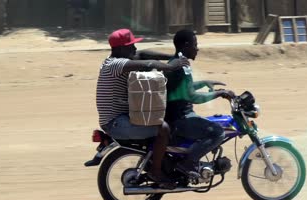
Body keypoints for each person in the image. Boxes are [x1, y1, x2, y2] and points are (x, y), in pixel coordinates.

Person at [96, 29, 189, 189]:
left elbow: (144, 54)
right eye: (130, 45)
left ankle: (163, 162)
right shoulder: (117, 64)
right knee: (164, 129)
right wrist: (173, 66)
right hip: (116, 123)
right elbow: (148, 63)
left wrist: (171, 56)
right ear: (119, 49)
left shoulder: (114, 60)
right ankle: (155, 172)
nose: (134, 49)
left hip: (119, 118)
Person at [164, 29, 236, 177]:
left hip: (180, 116)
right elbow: (193, 97)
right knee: (218, 132)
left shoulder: (176, 62)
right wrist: (219, 93)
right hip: (180, 120)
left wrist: (204, 83)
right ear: (185, 45)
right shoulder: (181, 66)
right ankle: (188, 163)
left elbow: (184, 88)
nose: (197, 48)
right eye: (195, 44)